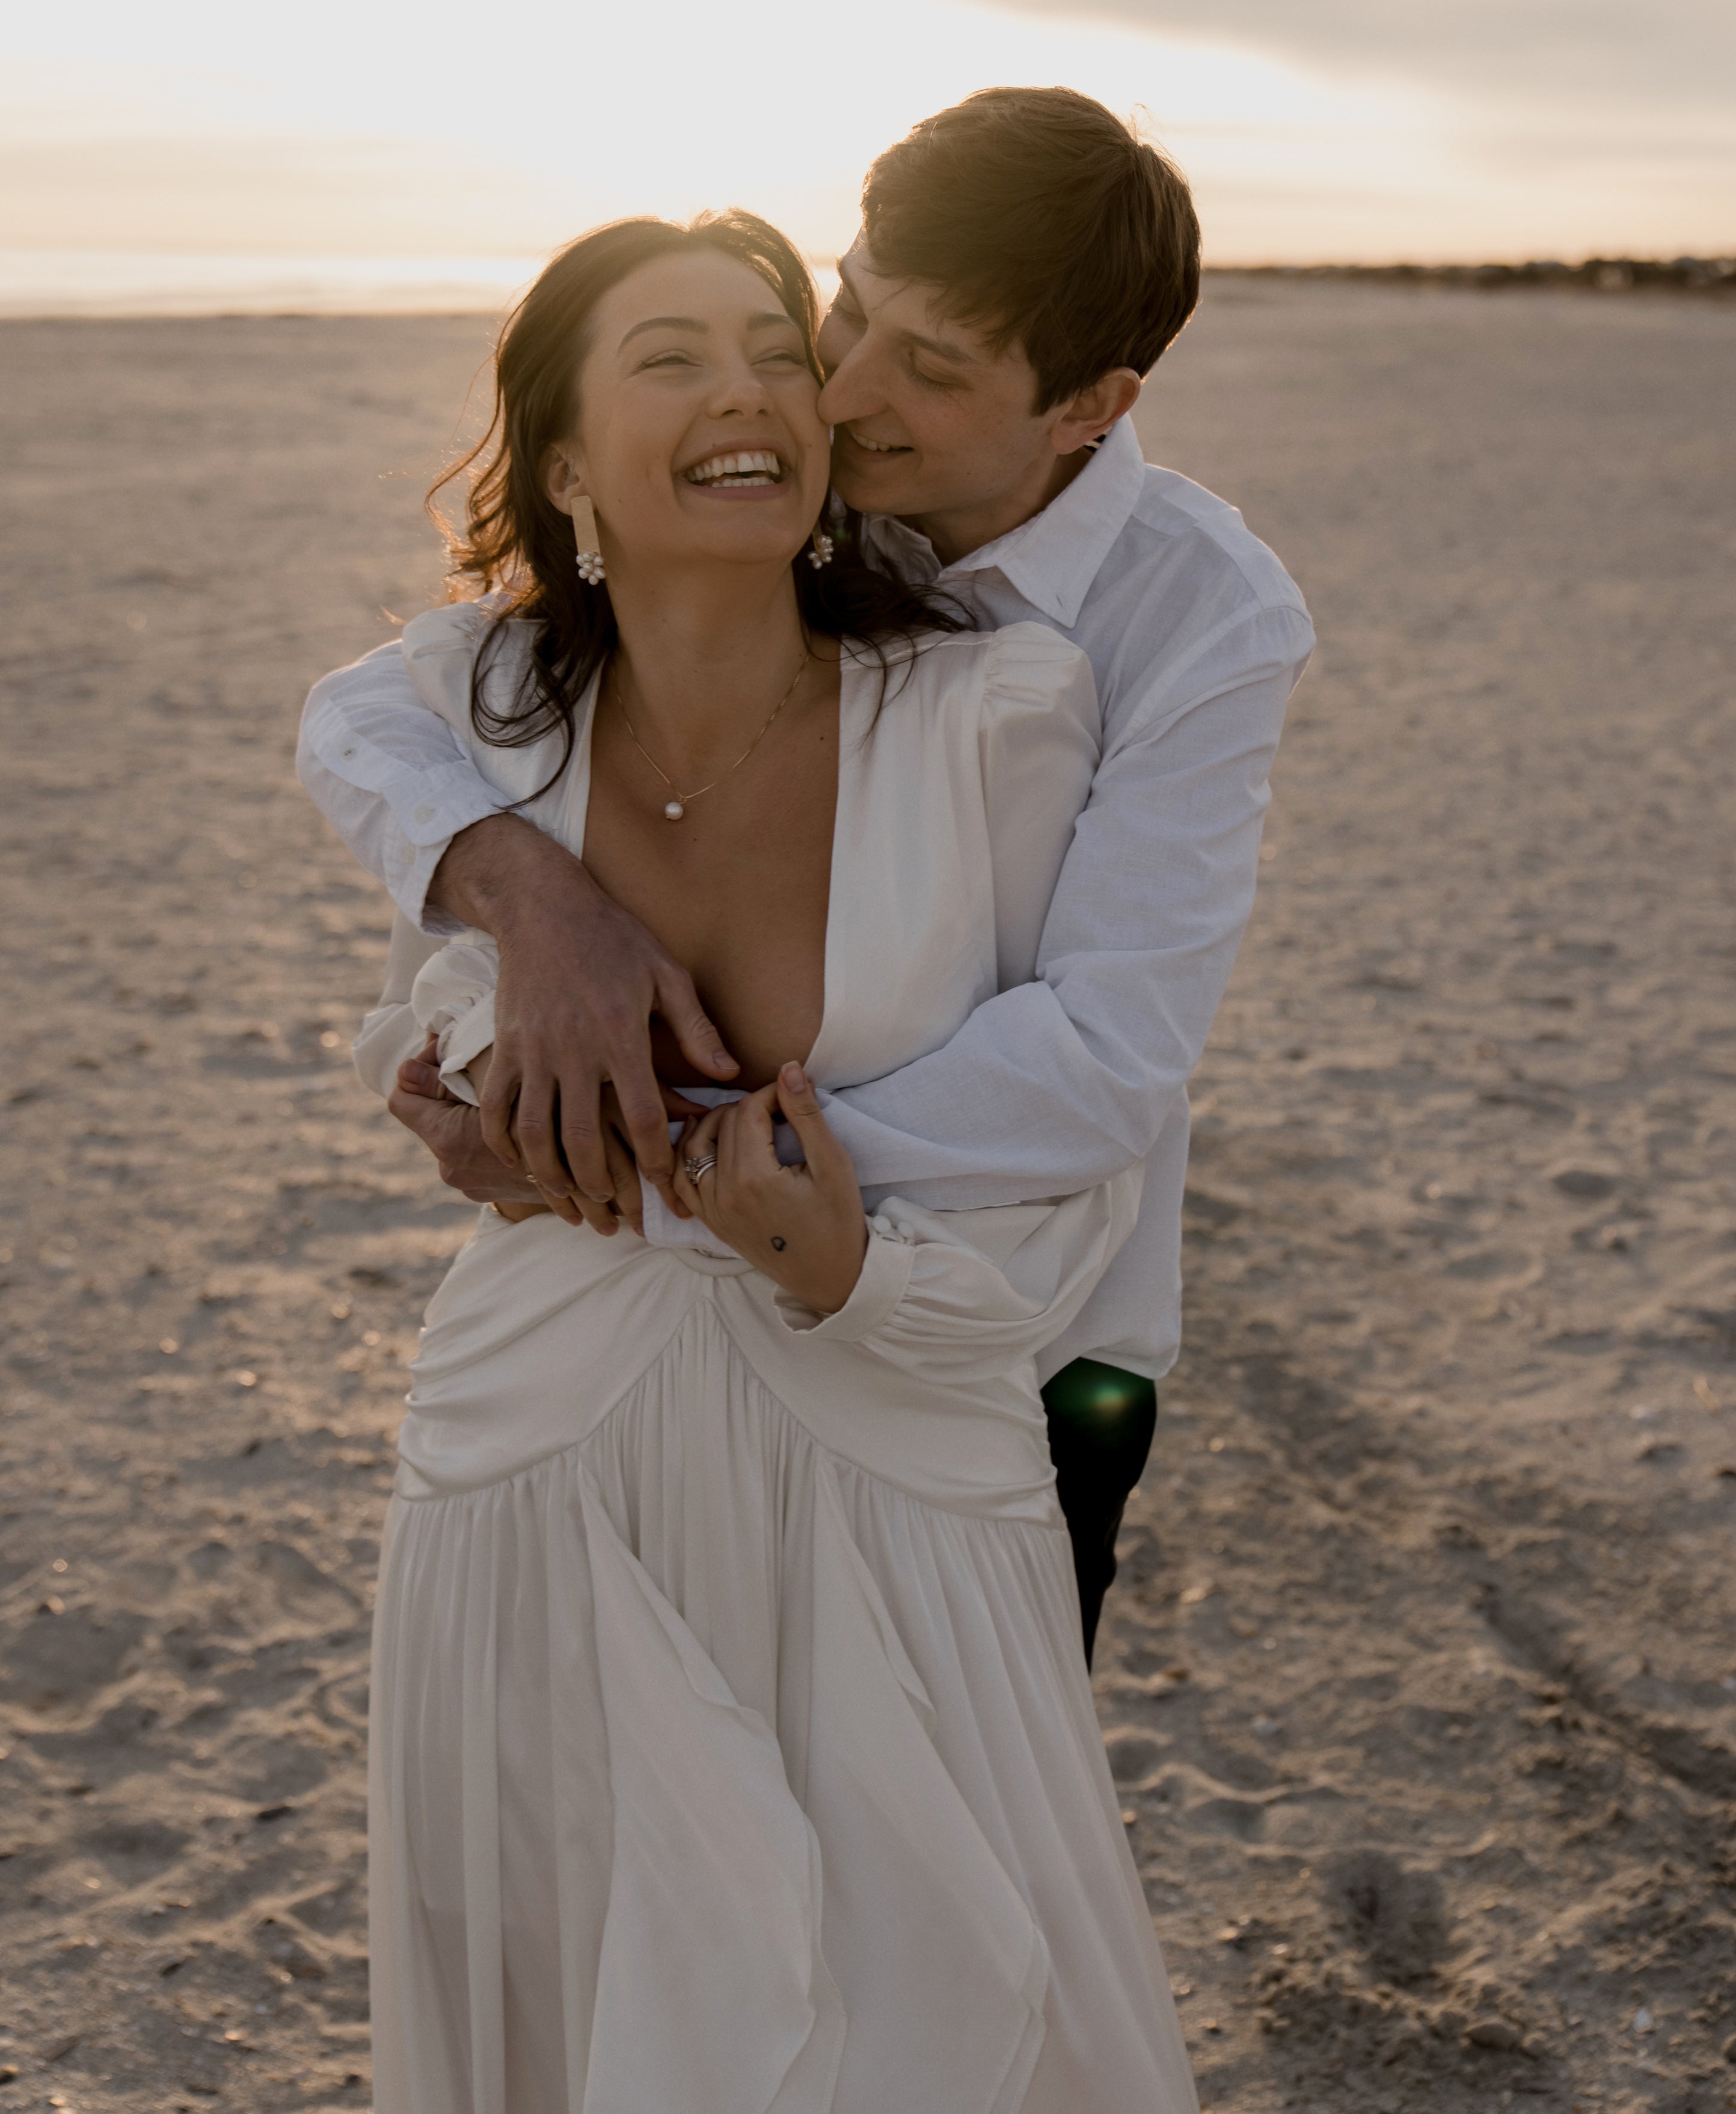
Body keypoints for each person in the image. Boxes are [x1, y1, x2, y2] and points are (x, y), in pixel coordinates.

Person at [339, 206, 1201, 2109]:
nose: (747, 384)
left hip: (888, 1467)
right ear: (566, 465)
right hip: (537, 1466)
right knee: (561, 2005)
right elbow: (420, 1011)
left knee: (948, 2014)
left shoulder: (997, 714)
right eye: (670, 355)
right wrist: (511, 962)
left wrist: (840, 1264)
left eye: (770, 346)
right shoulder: (479, 723)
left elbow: (1081, 1157)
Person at [299, 85, 1314, 1662]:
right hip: (662, 1339)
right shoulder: (796, 465)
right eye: (848, 306)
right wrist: (526, 899)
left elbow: (1108, 1054)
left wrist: (648, 1155)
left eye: (930, 364)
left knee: (957, 1835)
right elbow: (391, 699)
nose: (840, 382)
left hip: (1024, 1341)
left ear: (1089, 406)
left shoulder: (1203, 615)